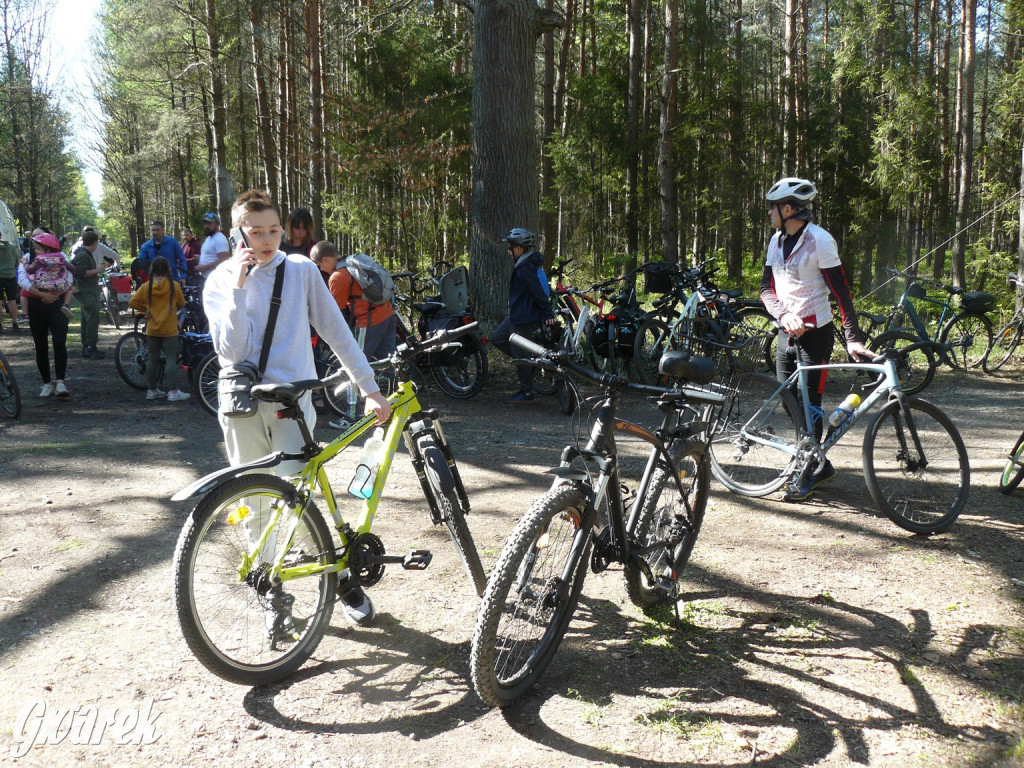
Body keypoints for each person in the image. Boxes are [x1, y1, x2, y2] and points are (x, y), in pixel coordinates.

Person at [204, 189, 390, 628]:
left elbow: (336, 332)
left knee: (298, 497)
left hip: (292, 403)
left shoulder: (302, 270)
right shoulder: (219, 281)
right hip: (242, 407)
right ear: (237, 233)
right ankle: (271, 591)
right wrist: (238, 288)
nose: (266, 241)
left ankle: (340, 579)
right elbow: (231, 351)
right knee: (251, 501)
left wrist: (368, 387)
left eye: (273, 230)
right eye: (255, 232)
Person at [759, 176, 872, 502]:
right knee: (789, 401)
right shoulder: (775, 241)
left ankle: (806, 472)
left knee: (809, 407)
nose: (770, 213)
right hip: (785, 333)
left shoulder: (820, 241)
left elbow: (842, 294)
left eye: (774, 207)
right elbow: (766, 289)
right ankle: (818, 463)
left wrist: (852, 339)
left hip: (816, 338)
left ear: (789, 208)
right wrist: (783, 315)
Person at [326, 245, 398, 429]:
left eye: (319, 265)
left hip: (368, 322)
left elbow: (334, 312)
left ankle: (352, 415)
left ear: (326, 260)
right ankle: (394, 406)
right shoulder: (354, 265)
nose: (320, 270)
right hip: (388, 316)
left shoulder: (338, 277)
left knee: (354, 365)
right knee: (389, 364)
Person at [490, 227, 556, 402]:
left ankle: (526, 392)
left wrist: (547, 313)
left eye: (511, 247)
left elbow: (538, 292)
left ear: (519, 248)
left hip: (524, 317)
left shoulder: (525, 268)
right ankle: (532, 362)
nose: (509, 251)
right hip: (516, 314)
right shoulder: (525, 264)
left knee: (520, 355)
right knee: (497, 338)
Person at [17, 231, 72, 397]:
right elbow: (22, 279)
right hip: (36, 305)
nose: (35, 247)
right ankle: (46, 383)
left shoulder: (62, 256)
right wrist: (42, 295)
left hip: (57, 303)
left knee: (59, 342)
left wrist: (55, 293)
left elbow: (69, 277)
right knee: (40, 345)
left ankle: (60, 382)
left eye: (38, 242)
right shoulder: (27, 258)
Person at [128, 256, 189, 401]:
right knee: (171, 359)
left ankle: (152, 390)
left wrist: (146, 310)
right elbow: (181, 303)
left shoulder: (146, 286)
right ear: (167, 269)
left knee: (153, 360)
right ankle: (173, 392)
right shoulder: (174, 285)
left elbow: (133, 302)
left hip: (152, 328)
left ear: (152, 270)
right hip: (169, 329)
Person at [70, 229, 108, 359]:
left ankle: (87, 346)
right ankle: (90, 346)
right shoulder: (83, 255)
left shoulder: (84, 253)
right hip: (85, 291)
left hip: (87, 290)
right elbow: (81, 272)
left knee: (87, 319)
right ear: (94, 242)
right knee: (93, 318)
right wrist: (97, 270)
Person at [196, 212, 230, 279]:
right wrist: (199, 258)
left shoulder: (220, 238)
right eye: (205, 223)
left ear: (217, 225)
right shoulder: (209, 238)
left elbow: (223, 260)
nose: (207, 226)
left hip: (215, 279)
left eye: (210, 223)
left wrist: (204, 268)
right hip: (205, 278)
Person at [0, 234, 19, 331]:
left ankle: (0, 325)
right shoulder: (11, 247)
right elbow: (17, 262)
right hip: (10, 275)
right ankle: (15, 323)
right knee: (12, 300)